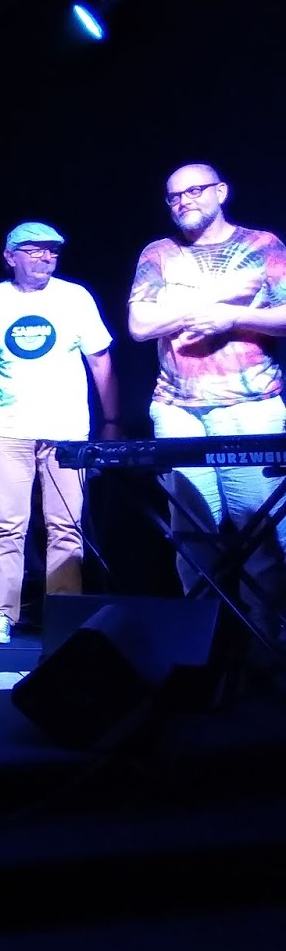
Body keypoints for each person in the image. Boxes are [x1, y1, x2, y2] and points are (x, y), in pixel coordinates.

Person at [0, 224, 118, 645]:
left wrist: (112, 421)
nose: (45, 257)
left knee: (66, 526)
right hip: (6, 430)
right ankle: (1, 614)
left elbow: (100, 361)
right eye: (35, 250)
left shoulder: (75, 298)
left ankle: (64, 615)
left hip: (66, 433)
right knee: (7, 525)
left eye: (52, 251)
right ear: (10, 256)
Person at [128, 163, 286, 628]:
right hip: (177, 408)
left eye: (194, 191)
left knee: (260, 531)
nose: (184, 202)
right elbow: (139, 325)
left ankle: (266, 642)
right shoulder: (159, 253)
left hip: (250, 405)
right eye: (174, 196)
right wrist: (220, 298)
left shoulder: (261, 245)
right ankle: (203, 643)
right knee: (192, 536)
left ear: (221, 191)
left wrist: (232, 318)